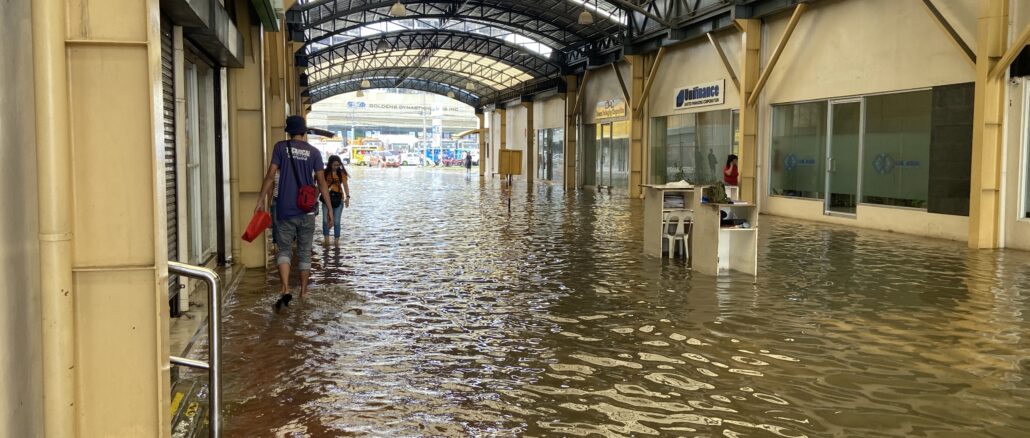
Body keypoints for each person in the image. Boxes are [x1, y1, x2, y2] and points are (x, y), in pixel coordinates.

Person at [255, 115, 334, 311]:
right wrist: (329, 210)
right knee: (305, 251)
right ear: (304, 131)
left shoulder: (280, 148)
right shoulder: (314, 152)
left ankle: (284, 288)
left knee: (284, 250)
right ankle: (304, 292)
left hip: (285, 210)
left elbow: (271, 175)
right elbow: (322, 183)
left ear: (288, 131)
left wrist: (260, 200)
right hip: (307, 211)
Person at [321, 155, 351, 245]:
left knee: (337, 221)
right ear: (330, 164)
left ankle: (336, 242)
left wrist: (347, 197)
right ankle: (326, 241)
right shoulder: (324, 173)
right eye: (334, 165)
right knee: (325, 221)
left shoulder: (341, 173)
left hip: (339, 200)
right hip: (326, 200)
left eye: (338, 165)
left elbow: (345, 185)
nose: (336, 167)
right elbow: (320, 186)